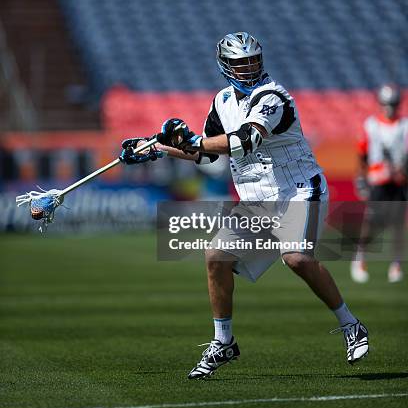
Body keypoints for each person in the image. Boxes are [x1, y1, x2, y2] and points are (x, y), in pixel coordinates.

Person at [120, 32, 369, 379]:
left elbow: (246, 139)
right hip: (257, 198)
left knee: (297, 258)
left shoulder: (273, 96)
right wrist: (157, 149)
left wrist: (190, 139)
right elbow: (205, 154)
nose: (249, 67)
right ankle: (224, 342)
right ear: (225, 66)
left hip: (297, 189)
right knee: (216, 256)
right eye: (240, 63)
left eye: (253, 60)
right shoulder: (222, 101)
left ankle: (351, 325)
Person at [352, 84, 408, 284]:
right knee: (372, 223)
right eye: (386, 103)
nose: (389, 108)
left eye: (392, 104)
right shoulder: (372, 125)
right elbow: (363, 154)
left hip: (399, 181)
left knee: (398, 225)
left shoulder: (405, 126)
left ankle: (396, 264)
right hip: (378, 180)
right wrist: (361, 178)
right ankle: (359, 258)